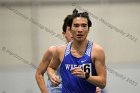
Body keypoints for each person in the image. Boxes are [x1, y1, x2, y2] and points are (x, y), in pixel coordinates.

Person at [48, 9, 106, 93]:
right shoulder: (60, 50)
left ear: (88, 29)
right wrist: (52, 75)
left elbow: (103, 83)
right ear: (70, 29)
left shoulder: (97, 51)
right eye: (76, 25)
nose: (80, 30)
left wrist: (86, 76)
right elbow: (51, 67)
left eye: (84, 25)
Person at [35, 15, 73, 93]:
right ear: (64, 33)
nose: (73, 32)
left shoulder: (87, 54)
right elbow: (39, 74)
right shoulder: (53, 51)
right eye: (70, 30)